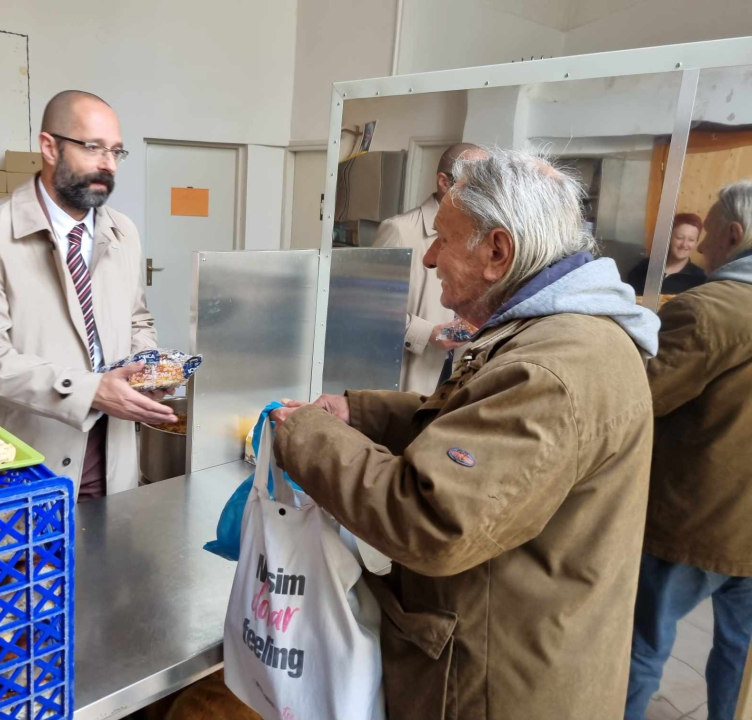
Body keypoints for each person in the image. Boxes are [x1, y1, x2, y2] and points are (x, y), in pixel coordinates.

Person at [270, 148, 660, 719]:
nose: (428, 258)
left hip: (500, 683)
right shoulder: (558, 333)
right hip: (526, 641)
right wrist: (362, 413)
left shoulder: (552, 371)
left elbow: (427, 519)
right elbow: (471, 415)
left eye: (445, 240)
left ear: (497, 252)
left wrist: (303, 434)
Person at [0, 90, 176, 500]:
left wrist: (144, 367)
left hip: (114, 448)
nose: (107, 164)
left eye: (117, 152)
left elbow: (137, 319)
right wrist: (90, 390)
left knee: (111, 556)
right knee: (36, 560)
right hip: (34, 453)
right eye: (92, 147)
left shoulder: (123, 232)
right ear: (49, 147)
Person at [625, 180, 752, 720]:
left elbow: (638, 401)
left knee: (643, 645)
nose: (698, 247)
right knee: (741, 655)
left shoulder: (711, 310)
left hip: (695, 522)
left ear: (735, 233)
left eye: (710, 227)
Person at [373, 143, 487, 393]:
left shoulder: (482, 234)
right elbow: (369, 308)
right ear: (444, 182)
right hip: (413, 368)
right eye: (475, 187)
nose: (484, 197)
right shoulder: (399, 231)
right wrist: (427, 333)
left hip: (462, 372)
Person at [626, 213, 707, 295]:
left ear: (696, 242)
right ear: (669, 237)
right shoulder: (644, 267)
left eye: (691, 240)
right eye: (679, 237)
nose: (684, 244)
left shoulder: (700, 279)